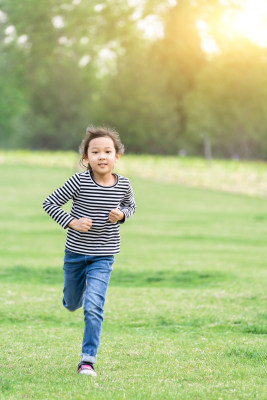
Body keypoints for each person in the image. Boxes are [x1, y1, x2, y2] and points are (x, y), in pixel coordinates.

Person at [43, 126, 136, 376]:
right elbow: (49, 203)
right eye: (95, 152)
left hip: (103, 257)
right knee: (73, 303)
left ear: (117, 156)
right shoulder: (78, 181)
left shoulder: (123, 185)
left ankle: (87, 361)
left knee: (94, 306)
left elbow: (130, 206)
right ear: (85, 158)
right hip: (75, 254)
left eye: (107, 151)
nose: (102, 156)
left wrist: (122, 215)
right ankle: (75, 296)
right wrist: (72, 222)